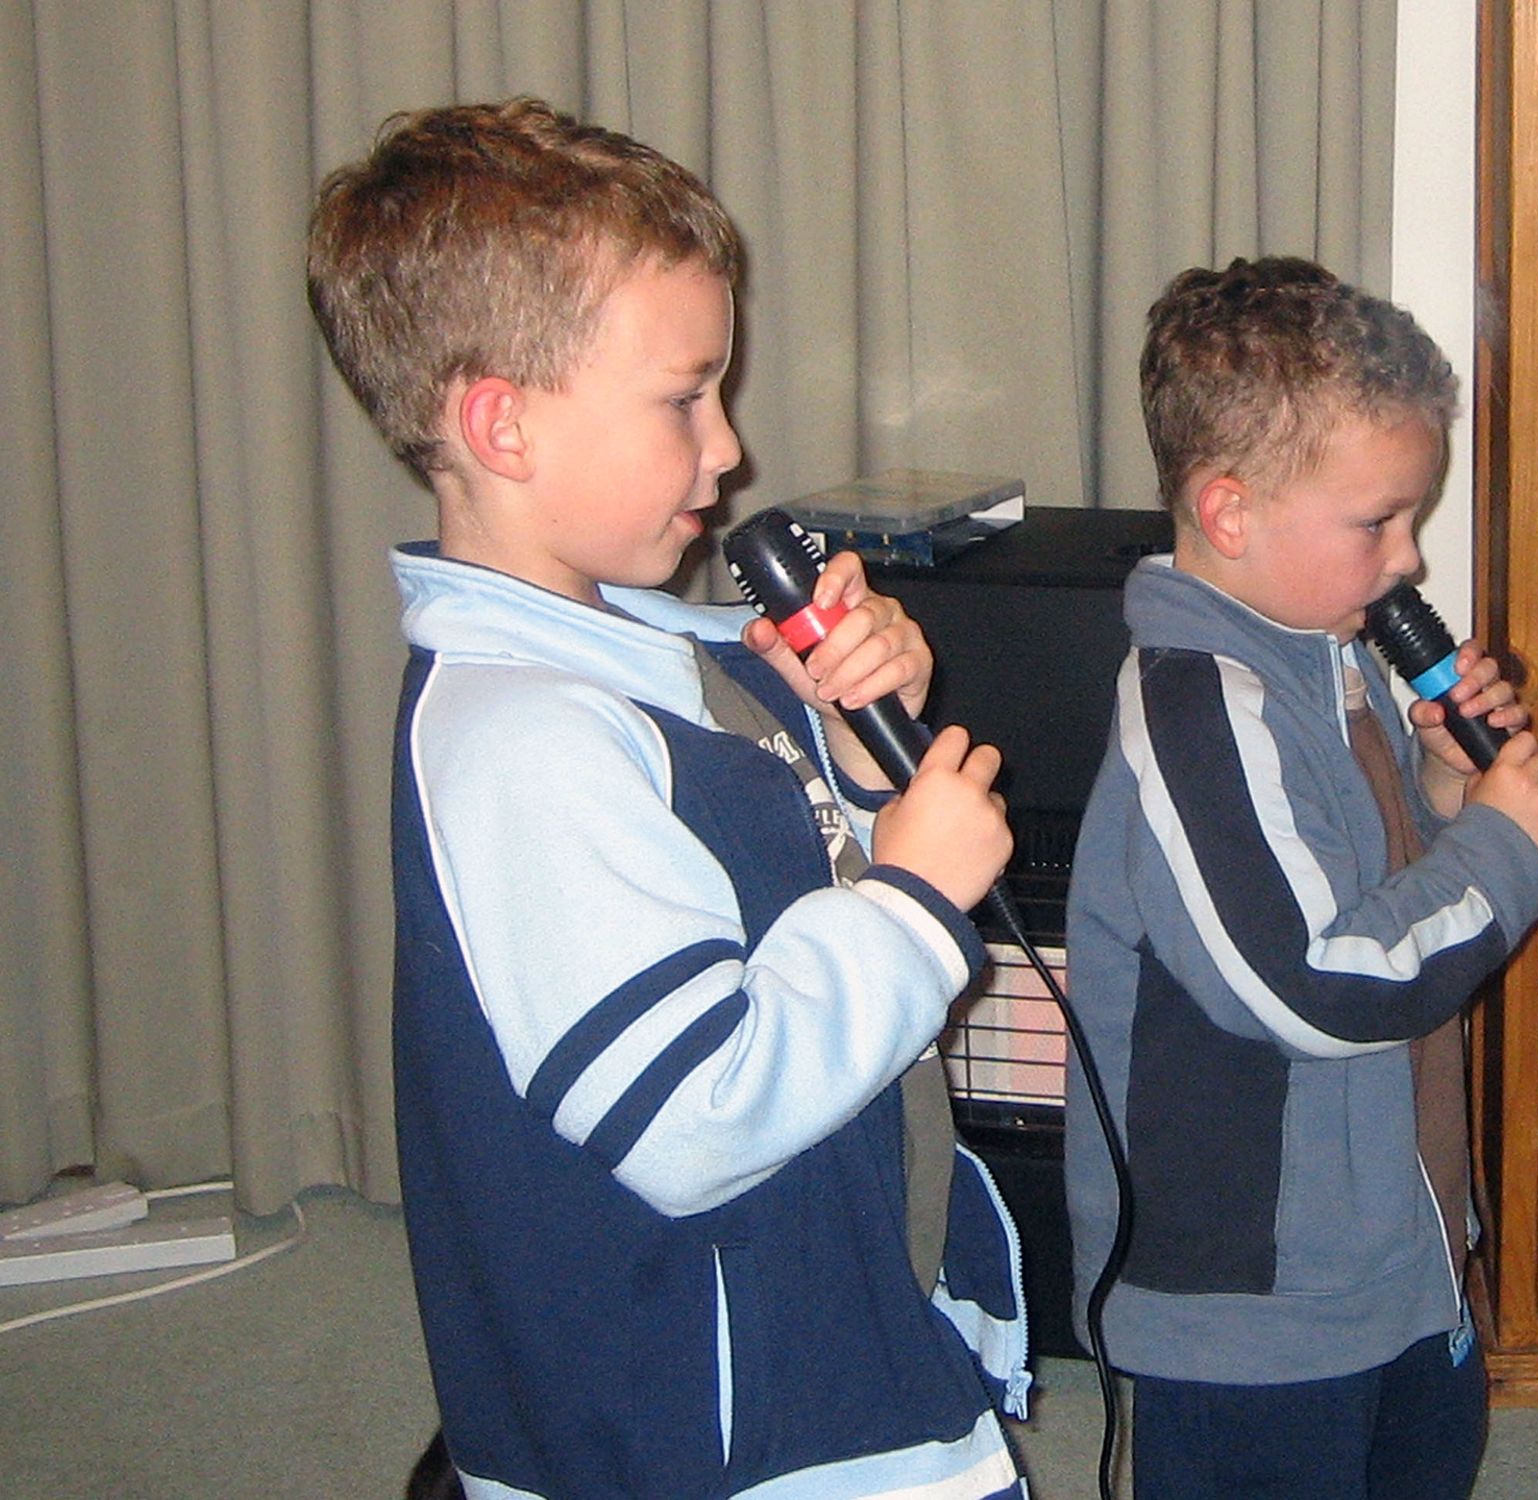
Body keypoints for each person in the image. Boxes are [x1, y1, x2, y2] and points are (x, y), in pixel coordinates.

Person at [306, 98, 1031, 1500]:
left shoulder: (669, 660)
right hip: (716, 1438)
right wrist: (913, 897)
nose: (726, 450)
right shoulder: (523, 740)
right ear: (502, 425)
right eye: (683, 398)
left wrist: (860, 766)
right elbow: (694, 1114)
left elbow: (774, 908)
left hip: (808, 1329)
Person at [1062, 256, 1538, 1499]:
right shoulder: (1199, 714)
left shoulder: (1321, 660)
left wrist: (1446, 795)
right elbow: (1316, 980)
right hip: (1257, 1305)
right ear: (1229, 513)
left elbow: (1371, 884)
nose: (1408, 561)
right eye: (1376, 523)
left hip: (1392, 1242)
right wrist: (1500, 850)